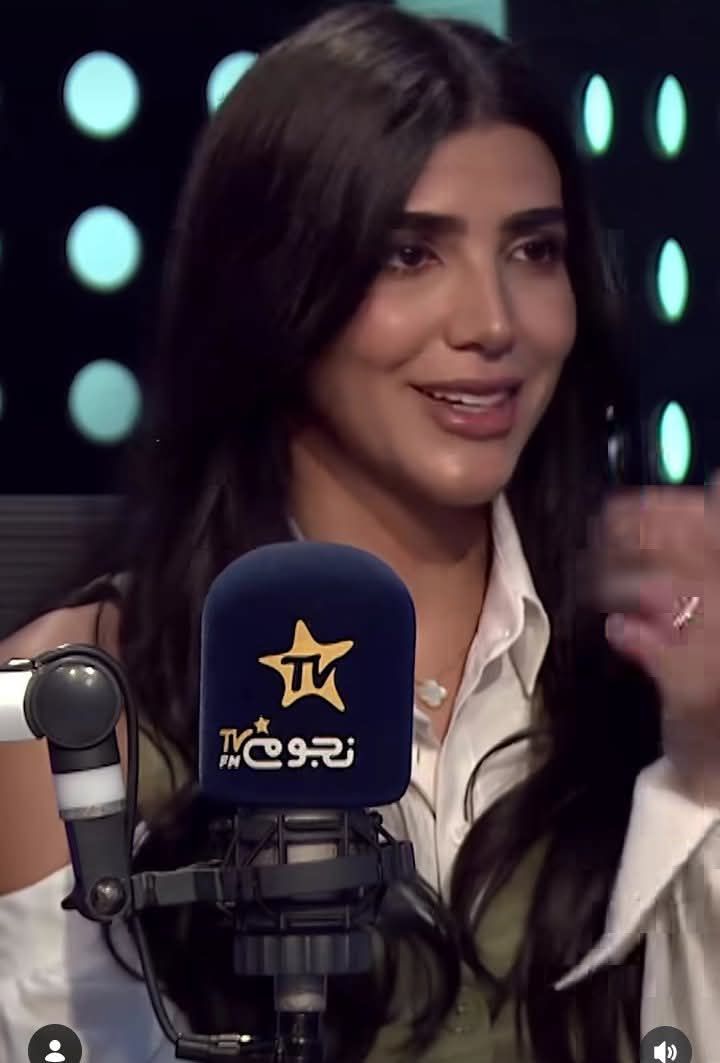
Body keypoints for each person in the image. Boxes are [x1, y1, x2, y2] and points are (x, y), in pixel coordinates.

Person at [1, 5, 718, 1062]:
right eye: (410, 255)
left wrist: (702, 767)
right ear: (273, 288)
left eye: (534, 249)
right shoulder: (74, 703)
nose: (493, 322)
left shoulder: (661, 663)